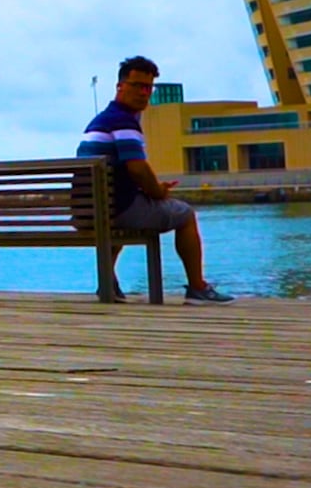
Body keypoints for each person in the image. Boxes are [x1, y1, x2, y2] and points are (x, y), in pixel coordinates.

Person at [77, 56, 234, 305]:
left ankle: (107, 281)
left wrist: (149, 189)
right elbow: (137, 168)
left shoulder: (100, 121)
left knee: (116, 210)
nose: (143, 93)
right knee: (185, 214)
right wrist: (158, 191)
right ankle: (197, 288)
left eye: (148, 87)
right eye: (136, 85)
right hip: (114, 209)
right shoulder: (122, 121)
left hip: (89, 211)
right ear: (120, 86)